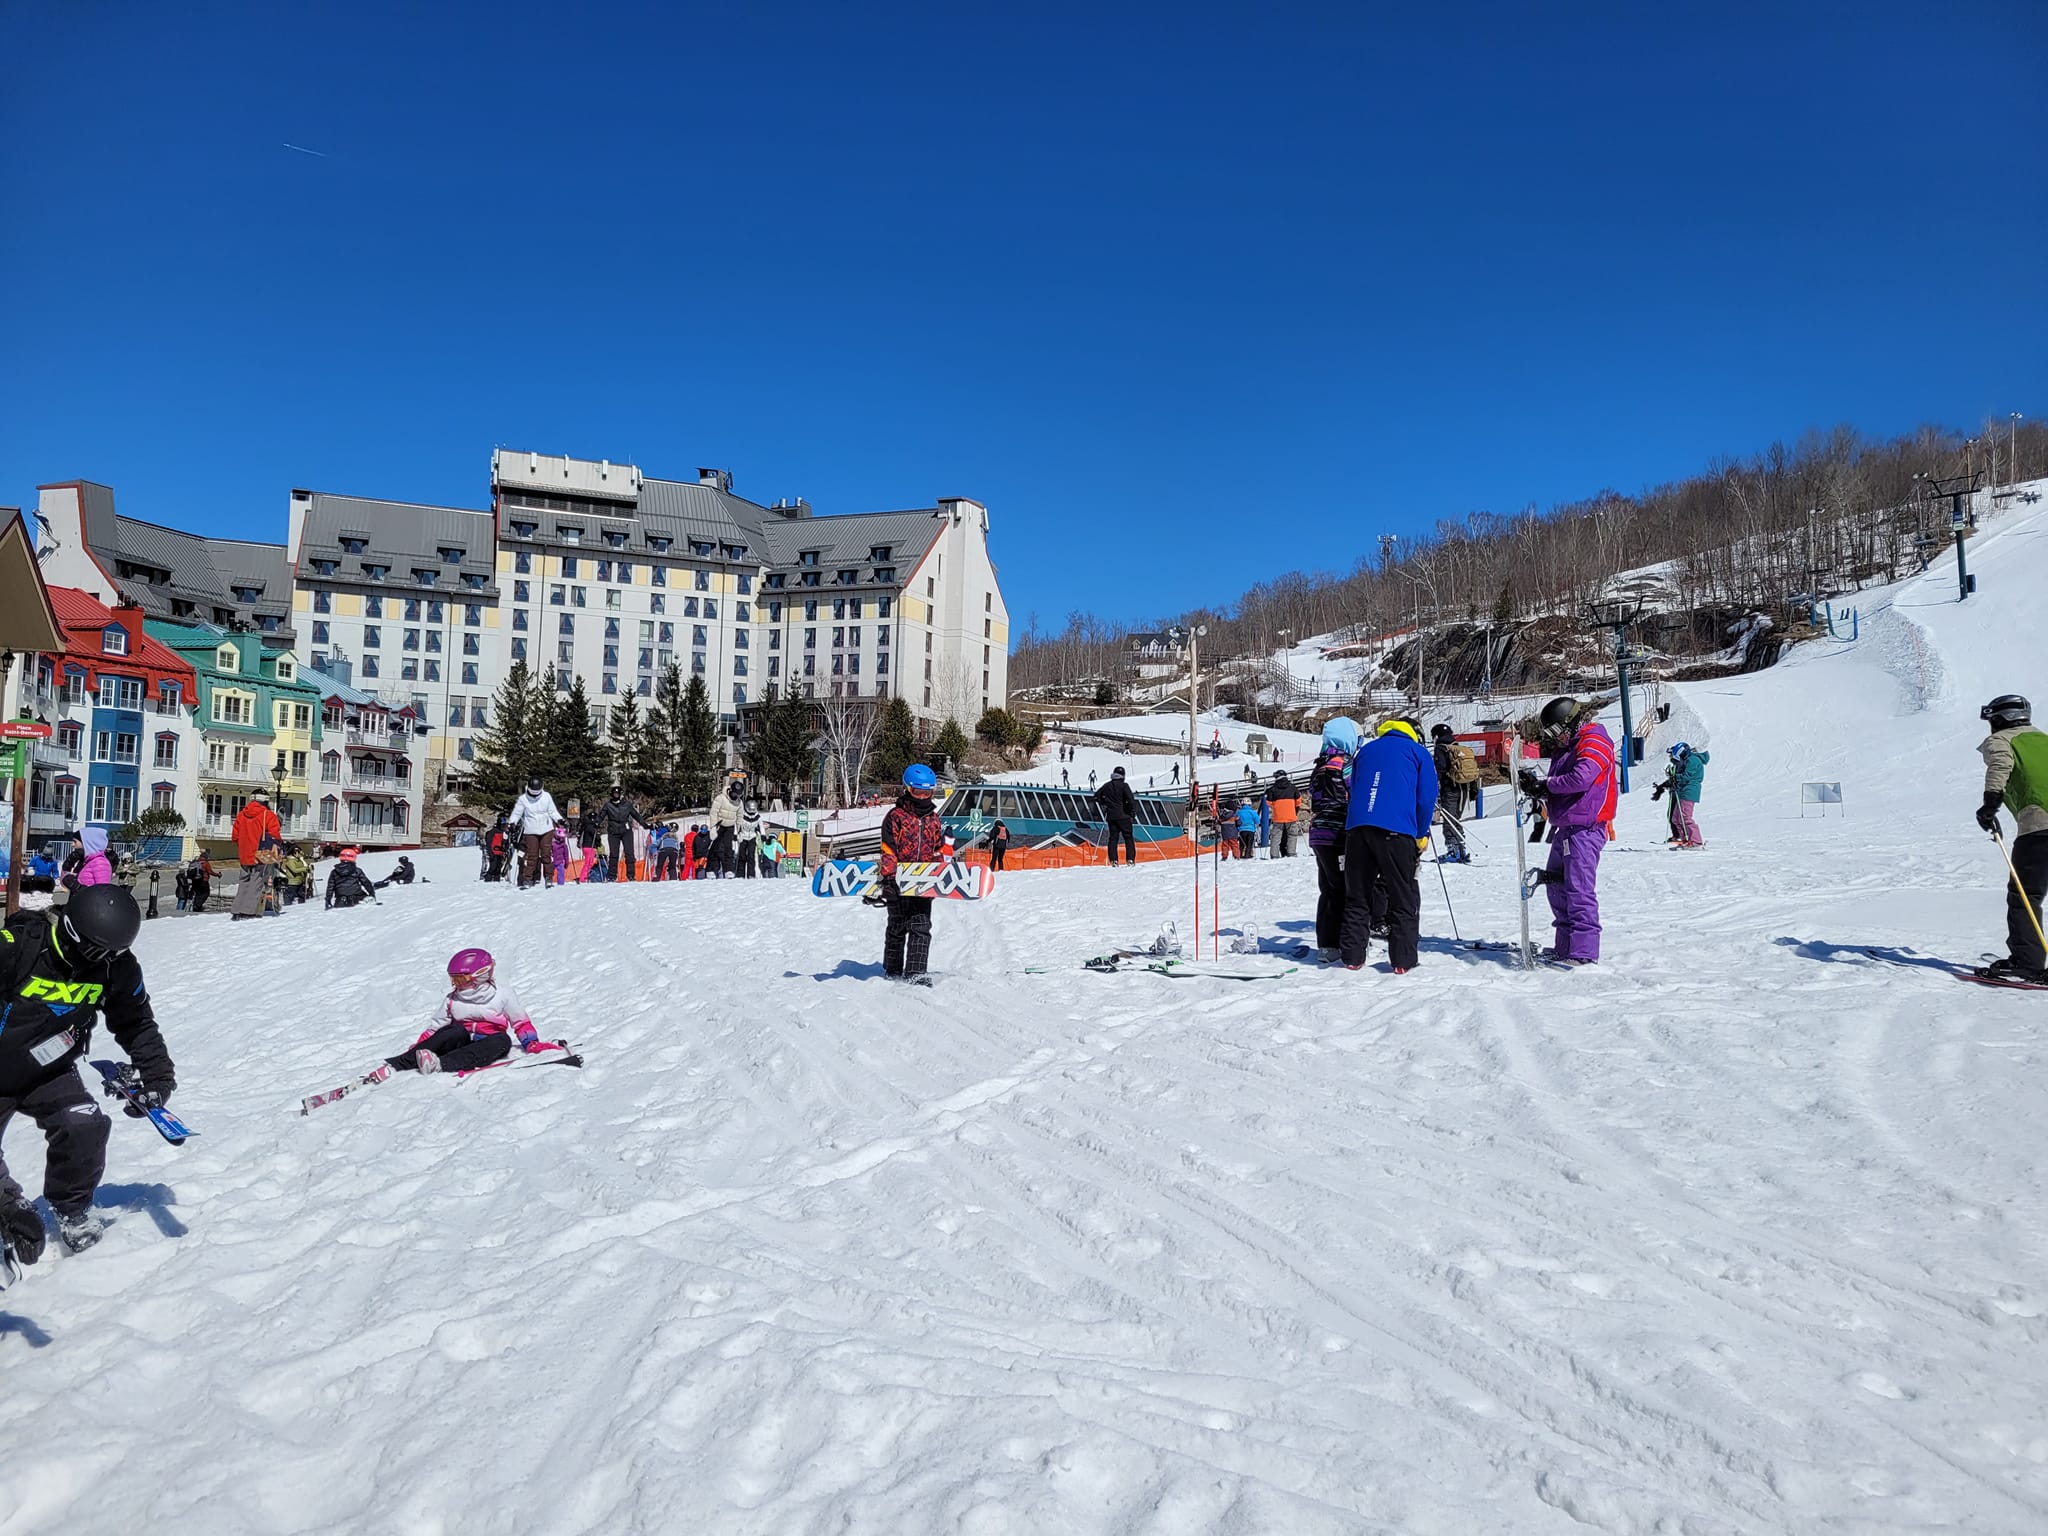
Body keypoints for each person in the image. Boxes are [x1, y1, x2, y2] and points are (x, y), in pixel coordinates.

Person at [0, 885, 176, 1259]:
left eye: (115, 953)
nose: (104, 960)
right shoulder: (19, 946)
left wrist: (158, 1076)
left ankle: (73, 1209)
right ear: (72, 932)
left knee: (85, 1125)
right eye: (98, 951)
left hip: (46, 1070)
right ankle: (8, 1208)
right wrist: (9, 1207)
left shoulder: (114, 965)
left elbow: (136, 1021)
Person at [1518, 697, 1617, 966]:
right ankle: (1565, 947)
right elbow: (1558, 784)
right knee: (1557, 887)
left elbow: (1582, 777)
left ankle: (1583, 953)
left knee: (1578, 889)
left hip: (1585, 828)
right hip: (1566, 828)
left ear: (1569, 723)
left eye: (1555, 731)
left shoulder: (1593, 740)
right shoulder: (1568, 746)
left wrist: (1546, 785)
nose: (1555, 738)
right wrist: (1538, 787)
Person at [1340, 718, 1438, 974]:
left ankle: (1352, 956)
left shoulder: (1366, 750)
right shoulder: (1418, 752)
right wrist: (1421, 833)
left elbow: (1353, 784)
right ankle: (1403, 960)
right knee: (1402, 895)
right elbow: (1427, 797)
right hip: (1397, 831)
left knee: (1357, 895)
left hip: (1358, 827)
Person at [377, 948, 554, 1078]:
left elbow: (520, 1022)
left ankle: (441, 1065)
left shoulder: (502, 995)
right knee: (453, 1031)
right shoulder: (452, 998)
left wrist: (531, 1043)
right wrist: (421, 1045)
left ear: (480, 975)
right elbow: (436, 1027)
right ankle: (398, 1064)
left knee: (503, 1040)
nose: (456, 984)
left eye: (460, 979)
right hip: (460, 1041)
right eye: (453, 979)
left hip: (488, 1044)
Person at [1974, 693, 2048, 983]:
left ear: (2002, 719)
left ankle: (2027, 963)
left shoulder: (2003, 740)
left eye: (1992, 719)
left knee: (2025, 894)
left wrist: (1990, 804)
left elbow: (2000, 766)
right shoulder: (2044, 739)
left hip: (2040, 825)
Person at [870, 764, 946, 983]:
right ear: (907, 789)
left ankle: (915, 972)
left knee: (921, 926)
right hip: (899, 879)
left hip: (923, 881)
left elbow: (938, 848)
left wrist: (937, 874)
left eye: (927, 793)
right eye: (917, 792)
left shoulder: (933, 819)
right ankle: (892, 970)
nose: (922, 797)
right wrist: (889, 877)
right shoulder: (896, 817)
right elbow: (888, 848)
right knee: (897, 925)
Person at [1308, 717, 1359, 963]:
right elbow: (1354, 793)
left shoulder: (1320, 764)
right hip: (1338, 832)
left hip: (1318, 833)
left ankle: (1325, 943)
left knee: (1327, 889)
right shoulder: (1346, 764)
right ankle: (1340, 941)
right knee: (1342, 889)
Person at [230, 790, 282, 921]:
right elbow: (275, 835)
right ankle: (248, 911)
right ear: (265, 800)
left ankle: (236, 910)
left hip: (244, 854)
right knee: (256, 882)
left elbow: (235, 836)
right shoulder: (268, 815)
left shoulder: (241, 815)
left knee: (243, 882)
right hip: (261, 854)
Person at [1431, 724, 1478, 864]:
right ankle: (1461, 849)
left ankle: (1453, 850)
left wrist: (1433, 788)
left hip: (1450, 788)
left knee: (1449, 819)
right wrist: (1474, 789)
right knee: (1456, 819)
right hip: (1464, 788)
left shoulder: (1441, 748)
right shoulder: (1460, 748)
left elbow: (1440, 769)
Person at [506, 775, 561, 889]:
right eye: (533, 792)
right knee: (532, 855)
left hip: (546, 829)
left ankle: (548, 878)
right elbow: (517, 813)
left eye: (537, 792)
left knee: (546, 854)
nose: (535, 794)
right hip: (531, 830)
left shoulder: (546, 797)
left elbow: (552, 811)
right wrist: (512, 823)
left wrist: (560, 820)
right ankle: (527, 879)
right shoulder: (523, 799)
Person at [1658, 742, 1708, 848]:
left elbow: (1687, 776)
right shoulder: (1686, 760)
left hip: (1689, 791)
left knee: (1685, 817)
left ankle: (1696, 841)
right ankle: (1685, 839)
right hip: (1683, 791)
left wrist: (1675, 777)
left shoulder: (1693, 761)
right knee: (1675, 818)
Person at [599, 787, 647, 882]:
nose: (616, 795)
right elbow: (601, 816)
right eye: (614, 793)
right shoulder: (608, 805)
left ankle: (631, 875)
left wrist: (644, 825)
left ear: (621, 794)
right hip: (613, 831)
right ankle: (612, 876)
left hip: (626, 831)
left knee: (629, 854)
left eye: (617, 793)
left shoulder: (627, 804)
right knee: (614, 854)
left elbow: (636, 815)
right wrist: (595, 823)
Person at [1095, 766, 1138, 866]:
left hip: (1111, 816)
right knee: (1128, 838)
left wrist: (1104, 803)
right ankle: (1130, 859)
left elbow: (1096, 796)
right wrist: (1132, 812)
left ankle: (1113, 860)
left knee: (1113, 838)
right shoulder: (1124, 786)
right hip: (1124, 815)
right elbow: (1131, 800)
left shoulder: (1106, 786)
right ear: (1123, 775)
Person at [1651, 748, 1687, 844]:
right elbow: (1672, 778)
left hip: (1679, 792)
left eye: (1671, 754)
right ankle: (1677, 835)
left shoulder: (1679, 764)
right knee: (1671, 815)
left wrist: (1672, 782)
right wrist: (1662, 786)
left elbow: (1678, 778)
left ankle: (1680, 836)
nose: (1670, 756)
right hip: (1674, 792)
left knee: (1676, 815)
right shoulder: (1675, 765)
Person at [709, 781, 742, 878]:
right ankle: (711, 869)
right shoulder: (721, 798)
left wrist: (740, 831)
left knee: (728, 848)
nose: (736, 796)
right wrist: (713, 828)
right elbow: (713, 812)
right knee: (715, 847)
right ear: (730, 790)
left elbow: (740, 816)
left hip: (730, 826)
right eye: (735, 793)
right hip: (719, 824)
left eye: (738, 794)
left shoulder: (739, 803)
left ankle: (728, 870)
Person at [1266, 771, 1300, 857]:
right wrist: (1295, 811)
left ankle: (1274, 855)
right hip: (1291, 816)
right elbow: (1298, 801)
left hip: (1278, 817)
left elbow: (1268, 802)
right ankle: (1291, 852)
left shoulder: (1272, 789)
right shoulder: (1293, 787)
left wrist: (1275, 807)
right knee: (1292, 835)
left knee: (1276, 837)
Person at [575, 803, 603, 883]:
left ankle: (585, 876)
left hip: (586, 846)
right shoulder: (590, 826)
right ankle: (583, 878)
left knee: (589, 862)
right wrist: (598, 841)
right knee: (588, 863)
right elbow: (596, 836)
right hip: (589, 846)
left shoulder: (585, 825)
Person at [738, 800, 763, 879]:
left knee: (751, 856)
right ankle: (740, 874)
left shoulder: (758, 817)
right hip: (743, 837)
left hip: (752, 837)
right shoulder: (742, 816)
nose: (751, 813)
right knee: (742, 856)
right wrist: (736, 834)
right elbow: (737, 825)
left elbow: (761, 826)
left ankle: (751, 874)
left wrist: (763, 835)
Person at [484, 816, 511, 882]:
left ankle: (497, 880)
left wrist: (505, 846)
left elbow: (503, 842)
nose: (504, 827)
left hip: (500, 852)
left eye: (505, 825)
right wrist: (491, 853)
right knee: (493, 866)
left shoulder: (502, 832)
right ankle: (488, 879)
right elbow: (489, 843)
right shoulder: (493, 832)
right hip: (493, 852)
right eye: (503, 825)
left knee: (498, 867)